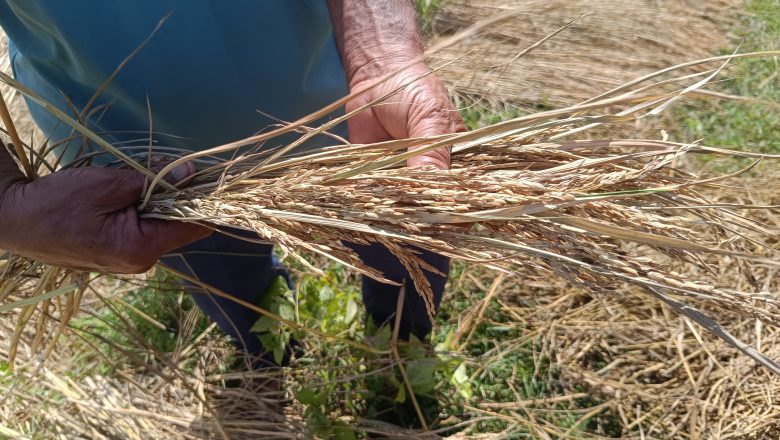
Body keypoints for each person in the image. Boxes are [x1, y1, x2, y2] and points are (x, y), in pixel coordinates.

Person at [0, 1, 463, 367]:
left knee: (408, 255)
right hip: (143, 177)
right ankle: (265, 351)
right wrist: (6, 205)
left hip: (355, 116)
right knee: (230, 286)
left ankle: (400, 350)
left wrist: (379, 58)